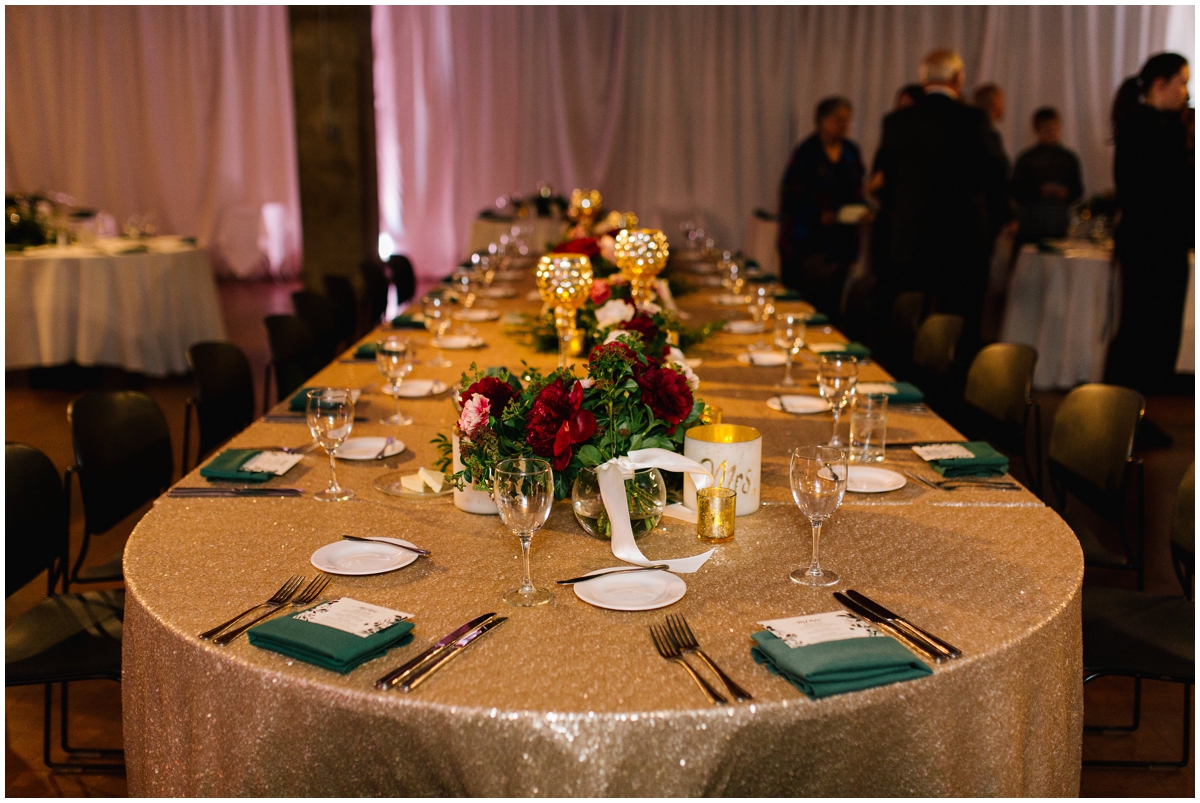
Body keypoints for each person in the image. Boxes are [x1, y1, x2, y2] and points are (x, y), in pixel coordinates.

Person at [871, 50, 1006, 360]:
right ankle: (950, 397)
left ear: (923, 79)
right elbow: (994, 173)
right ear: (957, 79)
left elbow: (885, 180)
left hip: (909, 240)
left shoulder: (897, 122)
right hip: (960, 241)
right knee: (956, 330)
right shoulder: (972, 119)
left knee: (906, 325)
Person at [1104, 52, 1194, 394]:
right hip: (1152, 242)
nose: (1186, 91)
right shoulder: (1144, 126)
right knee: (1144, 329)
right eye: (1182, 82)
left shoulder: (1159, 125)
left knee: (1152, 329)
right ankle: (1125, 408)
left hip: (1157, 241)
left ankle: (1136, 407)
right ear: (1160, 84)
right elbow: (1164, 189)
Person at [777, 96, 866, 320]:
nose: (844, 125)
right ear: (823, 121)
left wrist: (861, 210)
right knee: (806, 303)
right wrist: (818, 215)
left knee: (832, 305)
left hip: (840, 241)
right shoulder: (807, 152)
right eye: (839, 120)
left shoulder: (850, 151)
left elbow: (857, 189)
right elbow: (791, 195)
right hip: (807, 242)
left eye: (847, 120)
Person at [1010, 108, 1084, 242]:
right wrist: (1039, 191)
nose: (1051, 132)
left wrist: (1065, 193)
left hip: (1058, 224)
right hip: (1030, 225)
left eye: (1054, 127)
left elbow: (1077, 190)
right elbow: (1015, 190)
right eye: (1046, 129)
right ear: (1037, 131)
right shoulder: (1027, 159)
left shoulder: (1068, 158)